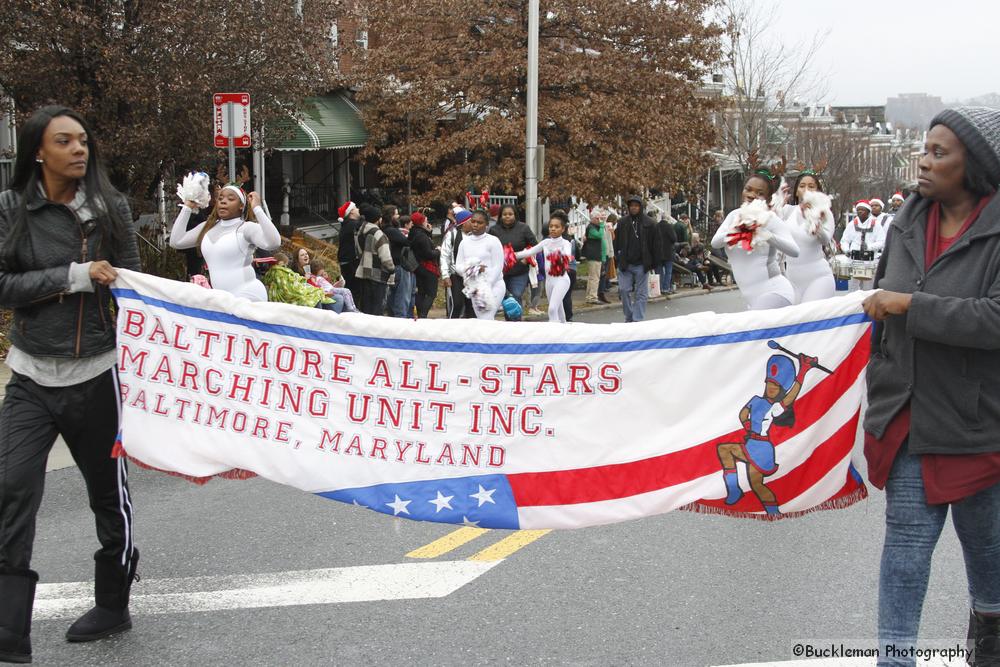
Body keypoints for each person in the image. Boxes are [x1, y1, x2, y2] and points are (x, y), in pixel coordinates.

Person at [0, 106, 142, 662]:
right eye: (65, 141)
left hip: (98, 373)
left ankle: (114, 603)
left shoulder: (111, 208)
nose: (79, 149)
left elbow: (137, 288)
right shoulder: (11, 209)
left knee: (109, 496)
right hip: (32, 374)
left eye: (83, 139)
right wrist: (74, 277)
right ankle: (10, 631)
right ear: (39, 150)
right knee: (13, 488)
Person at [862, 107, 1000, 667]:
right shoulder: (904, 222)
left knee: (988, 555)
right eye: (924, 148)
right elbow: (879, 306)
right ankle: (895, 660)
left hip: (977, 426)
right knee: (905, 552)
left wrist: (912, 307)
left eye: (940, 152)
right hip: (909, 419)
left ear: (977, 166)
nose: (923, 160)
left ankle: (989, 633)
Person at [171, 184, 280, 301]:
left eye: (231, 199)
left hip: (248, 295)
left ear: (241, 206)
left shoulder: (246, 228)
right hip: (222, 299)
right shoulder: (207, 227)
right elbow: (176, 241)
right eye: (220, 198)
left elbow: (273, 242)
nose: (223, 201)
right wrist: (187, 207)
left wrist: (257, 208)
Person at [711, 169, 800, 310]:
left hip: (775, 292)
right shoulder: (734, 216)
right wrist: (737, 228)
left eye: (760, 193)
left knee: (751, 329)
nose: (752, 195)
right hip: (751, 299)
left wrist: (765, 234)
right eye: (748, 189)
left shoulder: (770, 219)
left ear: (768, 199)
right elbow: (715, 243)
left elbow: (794, 251)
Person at [781, 171, 836, 303]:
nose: (806, 190)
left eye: (811, 186)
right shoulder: (787, 211)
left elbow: (825, 239)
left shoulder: (824, 212)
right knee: (796, 320)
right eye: (802, 186)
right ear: (796, 191)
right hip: (792, 279)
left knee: (811, 318)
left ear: (817, 190)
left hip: (818, 277)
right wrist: (777, 203)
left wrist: (818, 228)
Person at [514, 211, 574, 322]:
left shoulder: (566, 243)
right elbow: (529, 252)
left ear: (563, 229)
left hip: (562, 280)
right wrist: (511, 255)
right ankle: (564, 328)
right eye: (551, 226)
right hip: (549, 282)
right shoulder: (545, 242)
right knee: (559, 309)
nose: (553, 229)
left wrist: (560, 257)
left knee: (551, 309)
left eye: (557, 227)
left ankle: (554, 335)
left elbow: (567, 255)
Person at [613, 195, 661, 322]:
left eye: (636, 206)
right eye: (631, 206)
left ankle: (637, 318)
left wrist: (654, 263)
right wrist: (617, 257)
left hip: (642, 263)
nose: (633, 208)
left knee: (641, 293)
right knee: (623, 290)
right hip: (625, 263)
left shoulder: (650, 223)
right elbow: (616, 241)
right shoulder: (622, 222)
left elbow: (655, 245)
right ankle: (629, 316)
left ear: (641, 207)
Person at [455, 208, 505, 320]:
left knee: (486, 317)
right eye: (473, 222)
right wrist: (473, 269)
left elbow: (498, 266)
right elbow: (458, 266)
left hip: (494, 285)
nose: (475, 225)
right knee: (483, 319)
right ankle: (492, 337)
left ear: (487, 224)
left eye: (479, 222)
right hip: (475, 288)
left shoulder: (493, 241)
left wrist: (487, 285)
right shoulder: (464, 243)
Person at [489, 203, 537, 315]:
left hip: (519, 270)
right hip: (500, 271)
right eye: (504, 214)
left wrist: (526, 259)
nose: (507, 216)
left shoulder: (524, 228)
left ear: (515, 215)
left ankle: (516, 322)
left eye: (510, 214)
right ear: (500, 216)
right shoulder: (494, 230)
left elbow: (535, 246)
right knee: (503, 297)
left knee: (516, 295)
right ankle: (508, 324)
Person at [263, 253, 342, 312]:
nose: (305, 256)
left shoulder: (308, 270)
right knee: (323, 299)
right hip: (303, 293)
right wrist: (306, 279)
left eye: (306, 254)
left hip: (315, 291)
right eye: (302, 255)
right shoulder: (286, 271)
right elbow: (290, 287)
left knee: (339, 297)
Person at [354, 204, 395, 315]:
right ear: (378, 219)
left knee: (366, 307)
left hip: (364, 273)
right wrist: (392, 269)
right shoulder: (379, 234)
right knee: (377, 308)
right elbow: (386, 258)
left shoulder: (360, 232)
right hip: (378, 275)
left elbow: (358, 252)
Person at [440, 207, 475, 318]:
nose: (474, 224)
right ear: (464, 223)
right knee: (457, 304)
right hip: (456, 275)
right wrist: (445, 275)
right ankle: (451, 327)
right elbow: (444, 256)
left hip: (471, 276)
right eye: (471, 221)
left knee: (472, 306)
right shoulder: (452, 235)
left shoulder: (475, 236)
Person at [408, 211, 440, 318]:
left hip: (418, 266)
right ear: (421, 222)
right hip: (428, 267)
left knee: (421, 291)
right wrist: (438, 251)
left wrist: (429, 232)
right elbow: (428, 253)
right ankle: (423, 314)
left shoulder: (414, 233)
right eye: (425, 220)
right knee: (431, 293)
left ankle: (420, 314)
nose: (427, 222)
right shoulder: (421, 236)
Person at [383, 214, 414, 318]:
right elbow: (407, 242)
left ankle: (393, 317)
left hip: (391, 266)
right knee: (402, 296)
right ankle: (400, 318)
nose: (398, 216)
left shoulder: (384, 230)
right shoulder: (393, 231)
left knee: (392, 296)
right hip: (399, 266)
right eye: (395, 213)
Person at [337, 201, 362, 300]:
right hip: (351, 261)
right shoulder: (353, 225)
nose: (358, 209)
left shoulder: (347, 225)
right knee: (354, 290)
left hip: (346, 261)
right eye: (356, 208)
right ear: (351, 212)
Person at [581, 210, 607, 304]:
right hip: (594, 255)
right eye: (597, 218)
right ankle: (592, 297)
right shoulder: (592, 228)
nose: (599, 220)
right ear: (592, 218)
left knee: (592, 277)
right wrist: (602, 224)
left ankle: (590, 295)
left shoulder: (593, 227)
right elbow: (600, 235)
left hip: (596, 255)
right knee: (595, 277)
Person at [657, 212, 678, 295]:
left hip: (658, 252)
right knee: (668, 272)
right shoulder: (669, 227)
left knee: (659, 272)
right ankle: (666, 288)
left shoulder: (656, 226)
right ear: (667, 219)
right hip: (668, 252)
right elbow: (674, 238)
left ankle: (660, 288)